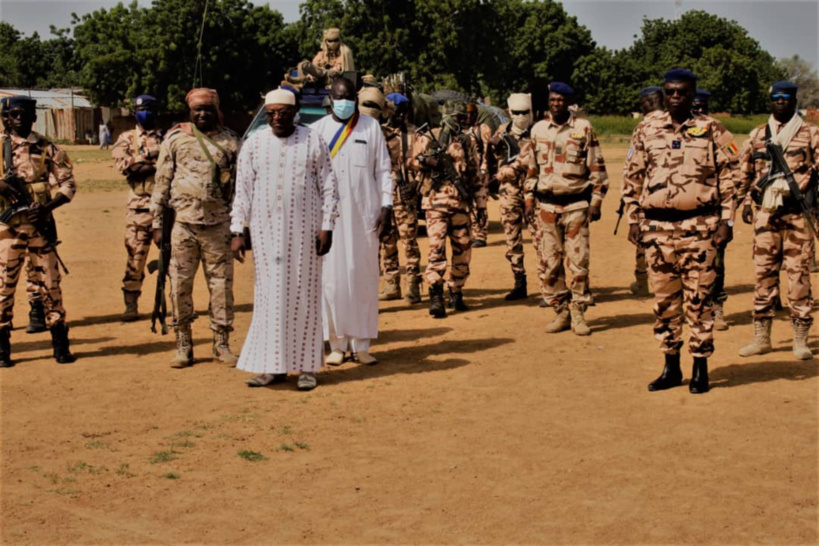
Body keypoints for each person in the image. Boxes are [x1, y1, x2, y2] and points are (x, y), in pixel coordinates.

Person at [622, 69, 739, 394]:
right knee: (664, 301)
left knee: (699, 300)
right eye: (670, 91)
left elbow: (731, 175)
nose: (675, 97)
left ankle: (700, 367)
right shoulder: (646, 128)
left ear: (692, 94)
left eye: (682, 92)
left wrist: (727, 221)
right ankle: (671, 367)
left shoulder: (712, 129)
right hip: (657, 229)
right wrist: (633, 218)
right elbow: (632, 174)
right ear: (664, 93)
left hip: (700, 228)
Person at [231, 88, 339, 390]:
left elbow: (329, 185)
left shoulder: (313, 140)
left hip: (305, 234)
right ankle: (273, 367)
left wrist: (327, 226)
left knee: (305, 298)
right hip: (265, 235)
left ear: (295, 113)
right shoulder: (254, 144)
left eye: (283, 113)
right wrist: (237, 230)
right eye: (271, 113)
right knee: (270, 300)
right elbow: (243, 190)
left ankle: (307, 369)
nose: (277, 118)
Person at [151, 88, 240, 368]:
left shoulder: (231, 141)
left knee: (221, 287)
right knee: (179, 285)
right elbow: (162, 182)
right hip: (182, 226)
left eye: (207, 109)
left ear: (217, 111)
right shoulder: (175, 139)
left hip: (219, 226)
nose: (202, 114)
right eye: (197, 109)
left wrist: (239, 228)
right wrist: (157, 224)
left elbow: (240, 188)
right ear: (190, 111)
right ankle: (183, 344)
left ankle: (221, 343)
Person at [736, 81, 819, 361]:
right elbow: (745, 172)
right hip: (766, 214)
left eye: (786, 97)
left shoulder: (811, 133)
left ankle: (800, 340)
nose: (781, 101)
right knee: (763, 276)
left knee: (799, 277)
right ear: (770, 101)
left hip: (798, 215)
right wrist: (745, 203)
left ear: (794, 101)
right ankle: (761, 338)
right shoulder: (758, 134)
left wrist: (809, 189)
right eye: (776, 97)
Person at [313, 77, 392, 366]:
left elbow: (383, 170)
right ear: (331, 99)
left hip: (364, 216)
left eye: (349, 98)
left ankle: (362, 345)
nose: (345, 103)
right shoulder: (317, 131)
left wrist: (387, 205)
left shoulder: (371, 127)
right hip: (329, 220)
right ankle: (337, 345)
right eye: (340, 98)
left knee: (363, 279)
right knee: (332, 283)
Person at [524, 82, 609, 336]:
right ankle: (560, 310)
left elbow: (597, 168)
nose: (555, 104)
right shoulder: (538, 130)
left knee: (578, 262)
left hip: (576, 206)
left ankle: (579, 311)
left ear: (568, 103)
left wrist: (596, 202)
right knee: (551, 262)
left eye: (560, 100)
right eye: (552, 99)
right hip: (547, 207)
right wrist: (528, 199)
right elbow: (531, 170)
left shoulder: (583, 129)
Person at [0, 96, 77, 367]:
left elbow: (68, 184)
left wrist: (47, 208)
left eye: (25, 114)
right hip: (6, 230)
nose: (20, 118)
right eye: (14, 114)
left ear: (34, 117)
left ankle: (60, 343)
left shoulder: (48, 148)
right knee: (3, 288)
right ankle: (2, 348)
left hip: (40, 229)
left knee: (51, 285)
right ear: (6, 117)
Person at [415, 99, 481, 318]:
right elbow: (410, 162)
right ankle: (436, 294)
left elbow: (474, 174)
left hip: (460, 205)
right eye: (459, 117)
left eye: (464, 117)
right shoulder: (429, 137)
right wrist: (427, 162)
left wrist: (480, 205)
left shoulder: (466, 141)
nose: (463, 121)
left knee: (463, 251)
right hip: (435, 204)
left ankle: (456, 291)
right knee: (436, 250)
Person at [112, 94, 163, 321]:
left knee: (176, 258)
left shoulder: (167, 137)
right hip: (139, 209)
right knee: (135, 258)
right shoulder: (126, 138)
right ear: (134, 112)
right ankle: (131, 304)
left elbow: (174, 167)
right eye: (141, 109)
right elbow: (125, 168)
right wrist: (153, 157)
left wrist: (142, 163)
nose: (146, 113)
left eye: (150, 108)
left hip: (166, 208)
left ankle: (176, 303)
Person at [373, 92, 423, 303]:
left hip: (404, 197)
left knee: (409, 242)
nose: (400, 116)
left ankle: (413, 286)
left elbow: (423, 164)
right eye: (396, 112)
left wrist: (416, 184)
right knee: (387, 241)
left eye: (403, 112)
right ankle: (392, 284)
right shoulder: (378, 133)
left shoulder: (414, 135)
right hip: (383, 196)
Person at [489, 92, 537, 301]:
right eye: (516, 113)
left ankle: (549, 282)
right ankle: (519, 281)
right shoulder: (501, 132)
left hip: (534, 189)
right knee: (512, 237)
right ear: (510, 113)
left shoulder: (538, 132)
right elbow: (492, 159)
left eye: (525, 112)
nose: (521, 116)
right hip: (509, 190)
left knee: (541, 237)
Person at [627, 85, 664, 298]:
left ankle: (642, 282)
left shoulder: (642, 128)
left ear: (648, 103)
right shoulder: (677, 123)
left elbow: (633, 169)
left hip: (648, 197)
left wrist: (631, 206)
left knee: (643, 239)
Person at [464, 102, 491, 247]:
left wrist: (484, 169)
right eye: (467, 114)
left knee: (479, 203)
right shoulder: (462, 130)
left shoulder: (482, 129)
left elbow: (487, 151)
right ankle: (471, 233)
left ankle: (480, 234)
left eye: (472, 114)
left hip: (479, 172)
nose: (469, 117)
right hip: (466, 173)